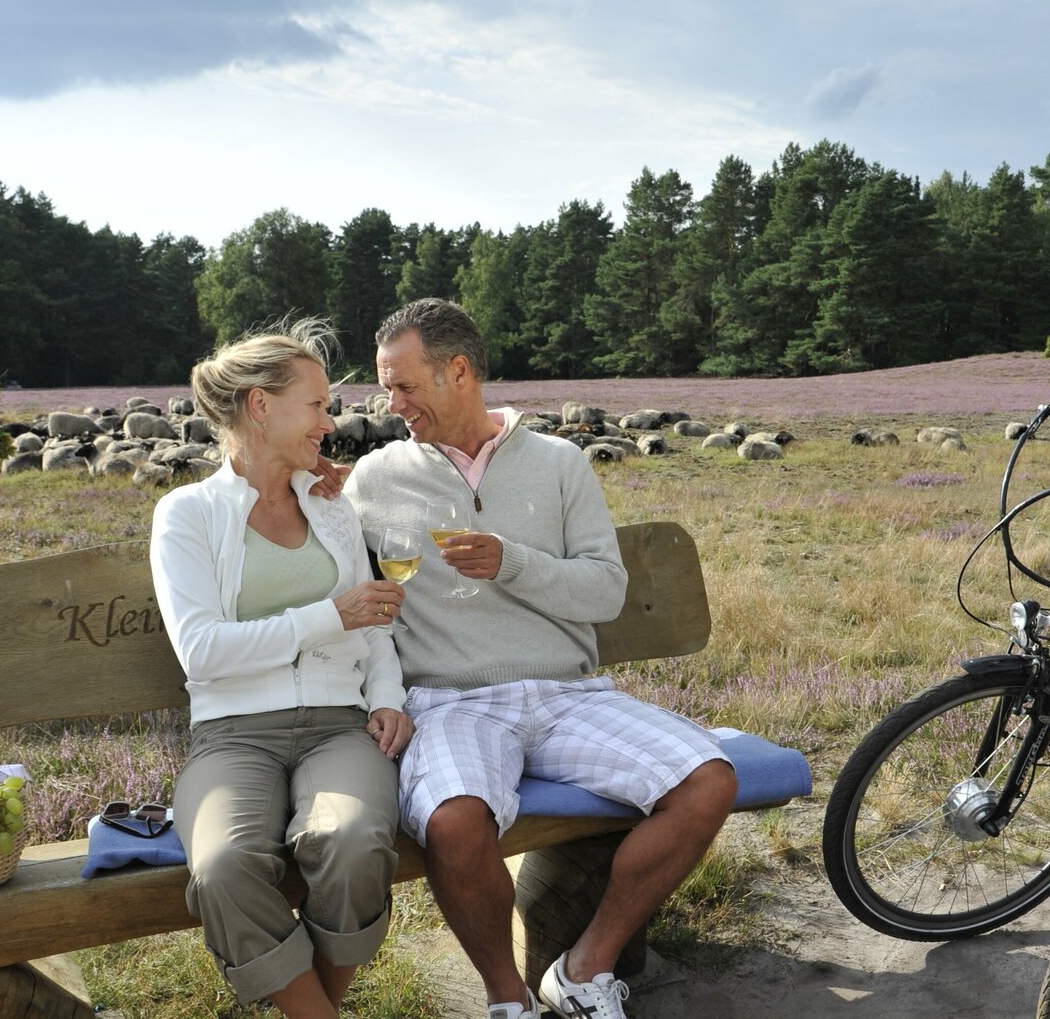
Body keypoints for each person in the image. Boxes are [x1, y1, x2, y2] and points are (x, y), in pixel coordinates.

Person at [345, 299, 738, 1019]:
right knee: (455, 822)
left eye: (403, 386)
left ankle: (585, 969)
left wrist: (513, 563)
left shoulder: (559, 464)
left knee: (708, 781)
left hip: (568, 694)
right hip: (450, 699)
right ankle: (509, 1000)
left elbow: (605, 589)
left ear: (458, 371)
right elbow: (341, 576)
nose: (389, 404)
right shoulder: (373, 477)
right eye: (385, 386)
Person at [149, 320, 414, 1019]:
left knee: (352, 840)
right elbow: (201, 650)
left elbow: (377, 624)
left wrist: (386, 696)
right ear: (260, 408)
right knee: (222, 867)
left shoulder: (332, 507)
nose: (331, 421)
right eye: (318, 404)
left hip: (339, 728)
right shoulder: (187, 515)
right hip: (233, 734)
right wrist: (332, 614)